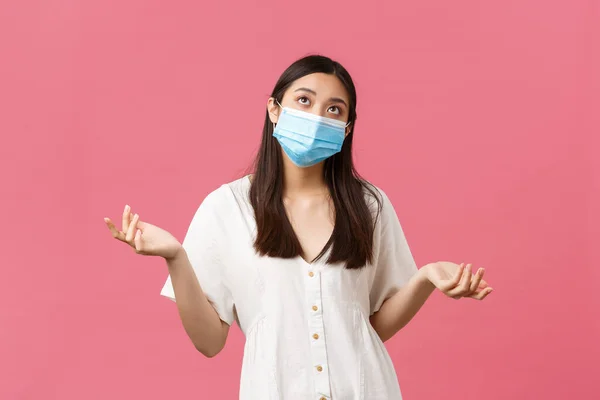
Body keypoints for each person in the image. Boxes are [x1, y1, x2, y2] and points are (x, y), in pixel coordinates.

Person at [104, 54, 493, 400]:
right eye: (304, 101)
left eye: (334, 110)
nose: (317, 117)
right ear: (274, 109)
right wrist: (176, 258)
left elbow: (368, 327)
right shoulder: (227, 208)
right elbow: (209, 342)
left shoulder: (369, 205)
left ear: (347, 127)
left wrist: (423, 279)